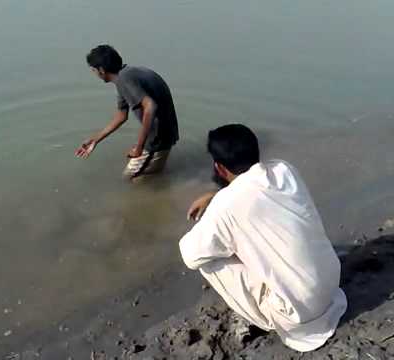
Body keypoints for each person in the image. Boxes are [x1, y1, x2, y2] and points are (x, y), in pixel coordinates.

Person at [179, 124, 347, 352]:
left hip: (298, 317)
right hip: (330, 287)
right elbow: (250, 190)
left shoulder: (226, 205)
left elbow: (189, 255)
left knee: (205, 259)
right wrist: (216, 196)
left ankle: (264, 317)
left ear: (218, 167)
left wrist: (214, 212)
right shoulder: (284, 169)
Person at [75, 45, 179, 179]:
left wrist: (139, 147)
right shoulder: (126, 75)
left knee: (130, 179)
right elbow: (121, 116)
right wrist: (95, 139)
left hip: (157, 140)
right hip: (162, 134)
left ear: (101, 70)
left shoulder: (125, 79)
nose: (94, 73)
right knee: (149, 177)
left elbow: (150, 106)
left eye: (93, 70)